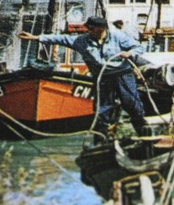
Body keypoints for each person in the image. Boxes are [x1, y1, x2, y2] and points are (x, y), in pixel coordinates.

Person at [19, 15, 148, 134]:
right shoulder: (82, 41)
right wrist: (37, 38)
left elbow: (139, 48)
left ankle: (143, 134)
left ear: (102, 28)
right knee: (102, 110)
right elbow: (62, 39)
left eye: (92, 28)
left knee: (132, 105)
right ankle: (101, 140)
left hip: (122, 75)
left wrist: (129, 53)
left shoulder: (118, 37)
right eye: (88, 28)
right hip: (102, 78)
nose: (89, 31)